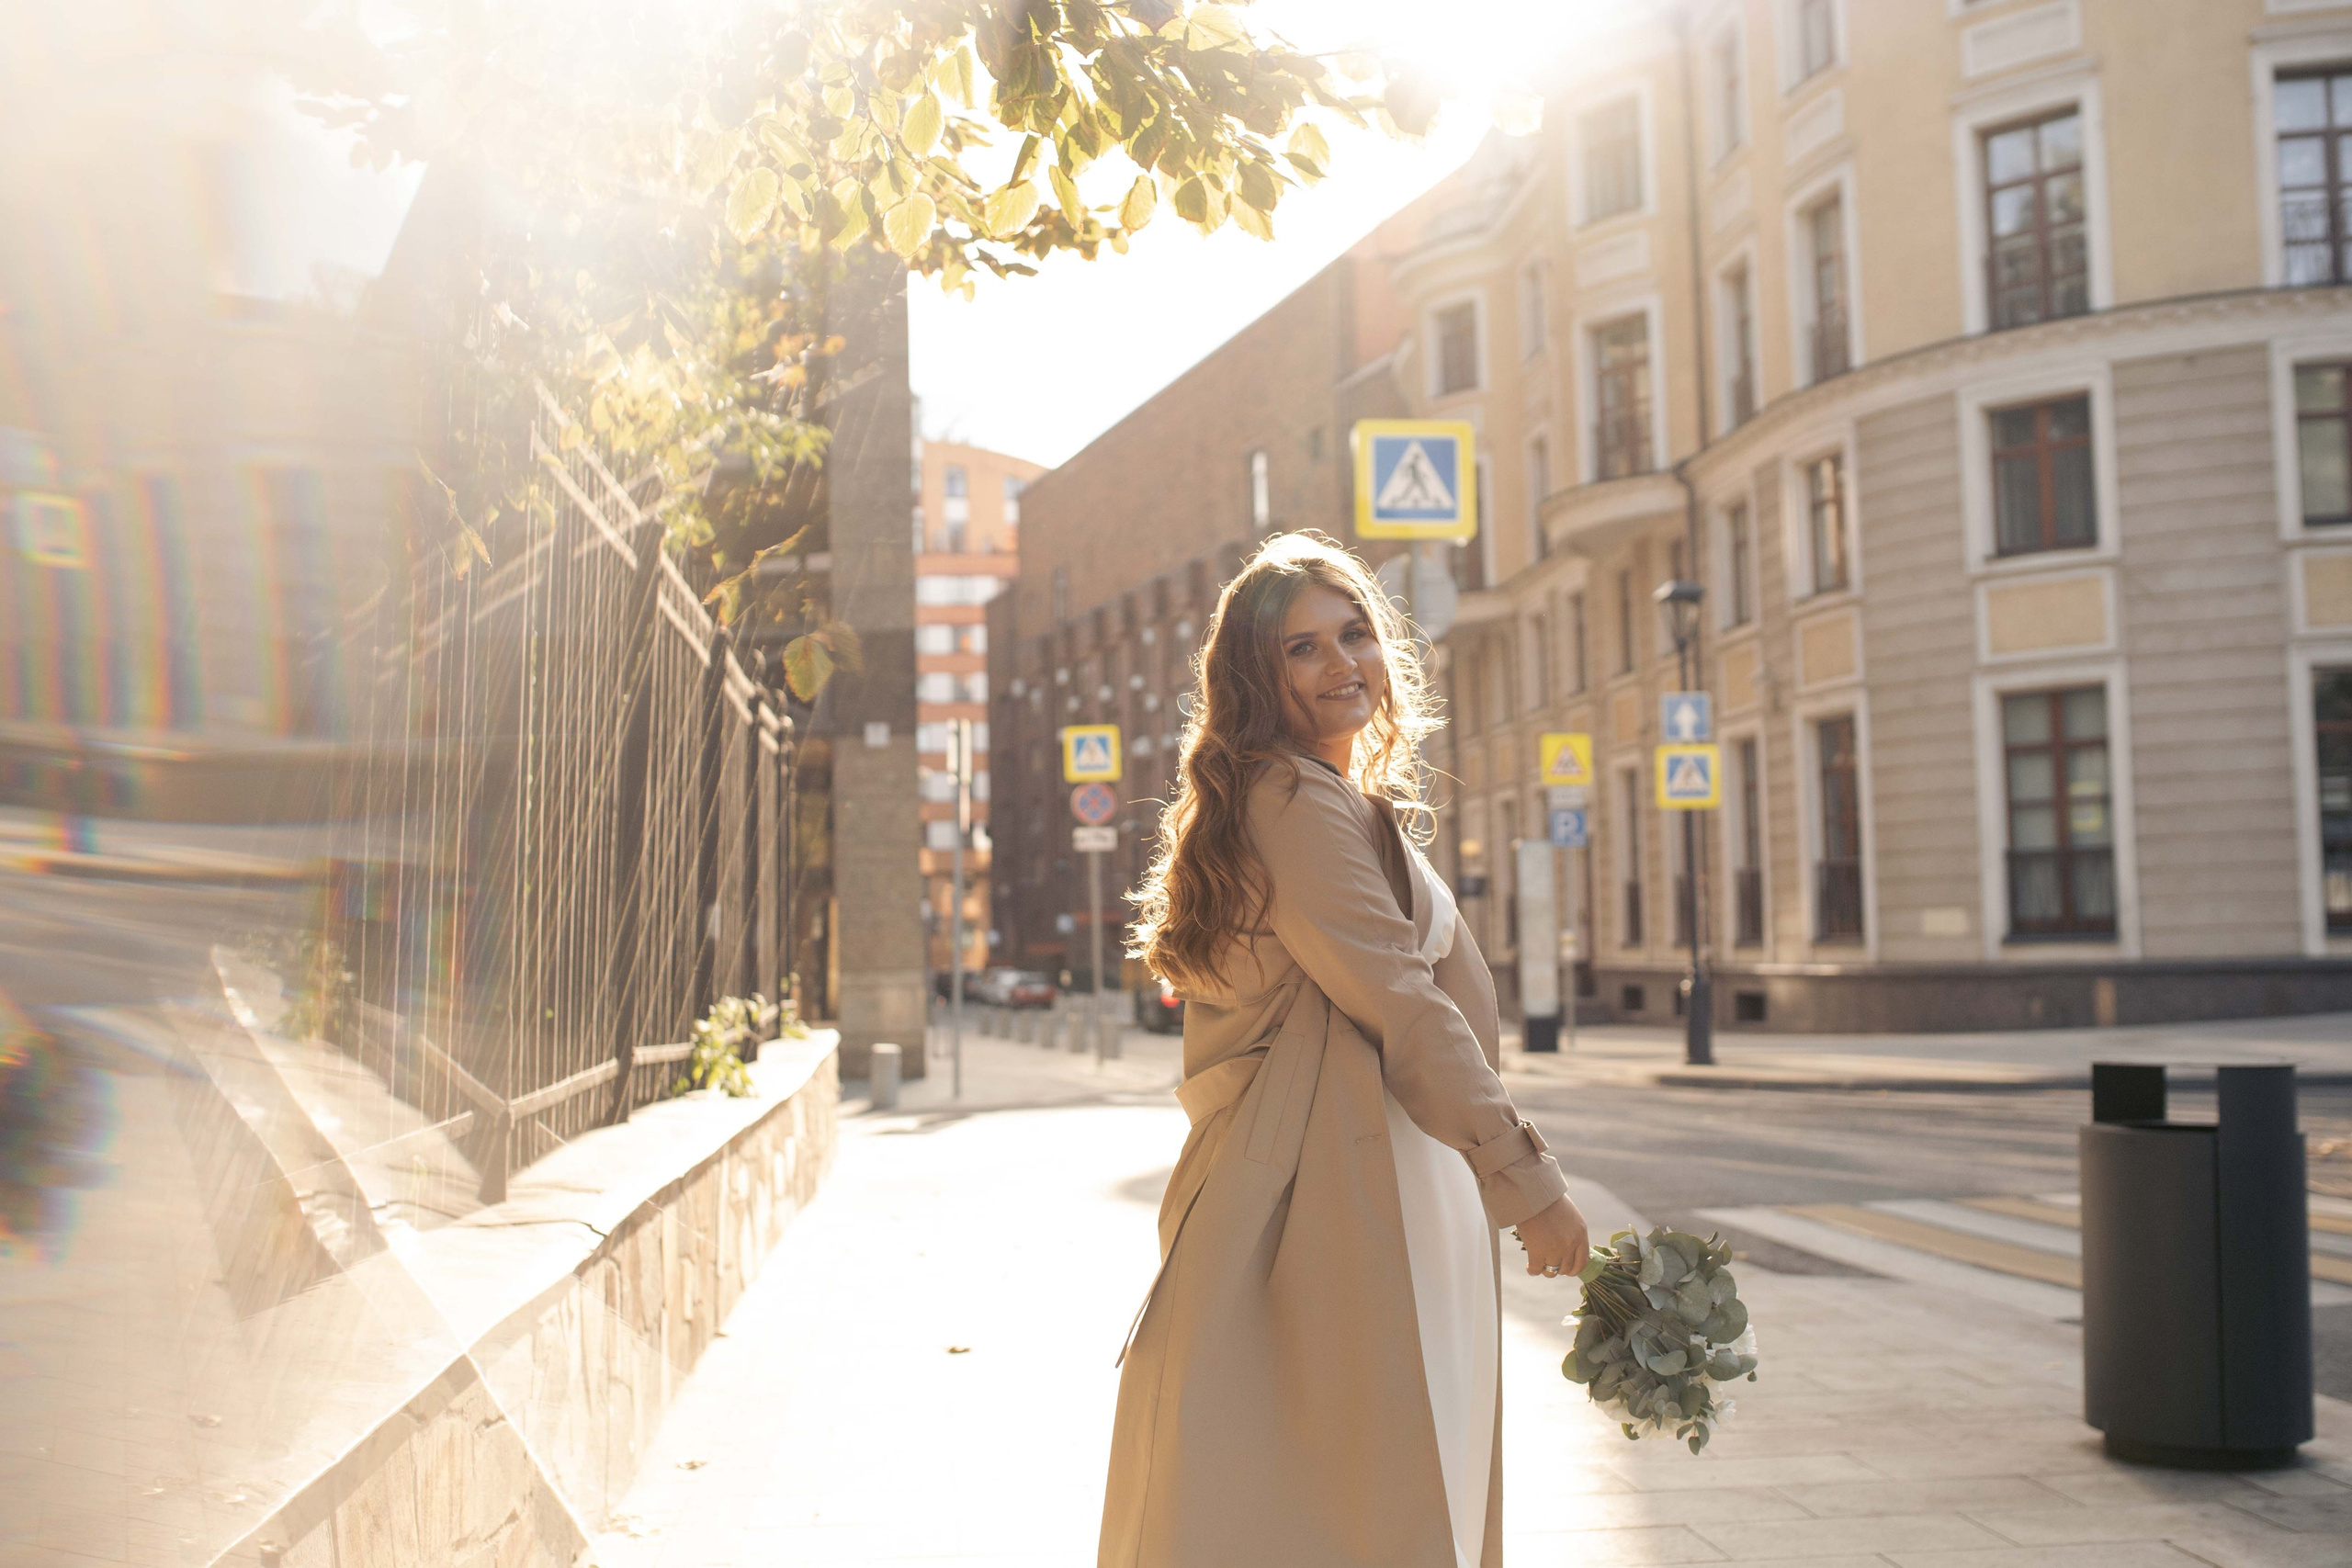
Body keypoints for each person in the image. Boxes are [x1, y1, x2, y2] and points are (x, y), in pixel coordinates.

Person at [1100, 532, 1590, 1568]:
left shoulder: (1321, 801)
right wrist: (1527, 1183)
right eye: (1301, 650)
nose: (1341, 665)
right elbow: (1400, 1002)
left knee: (1367, 1497)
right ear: (1253, 676)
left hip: (1384, 1179)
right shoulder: (1290, 801)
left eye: (1354, 634)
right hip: (1352, 1191)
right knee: (1360, 1504)